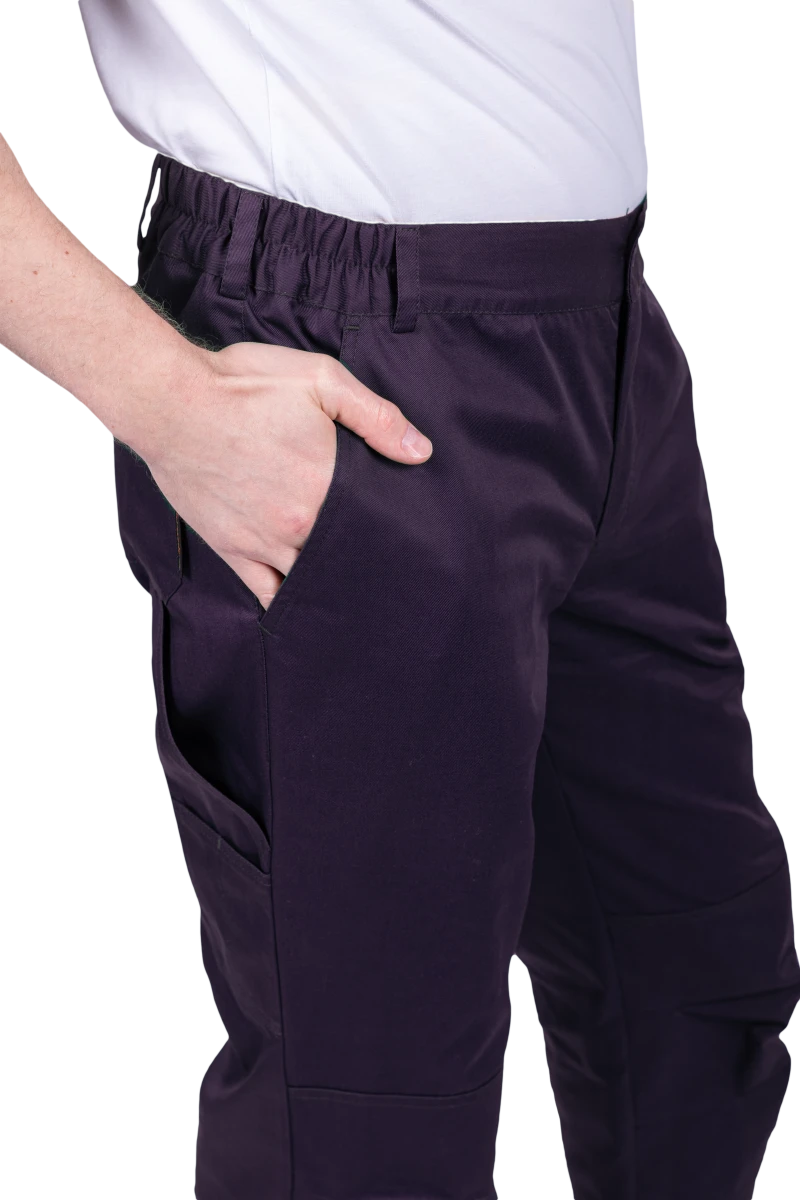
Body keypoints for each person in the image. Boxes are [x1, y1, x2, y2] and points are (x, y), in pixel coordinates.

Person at [2, 3, 797, 1198]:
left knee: (693, 995)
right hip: (343, 359)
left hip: (610, 348)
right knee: (368, 1109)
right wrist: (171, 403)